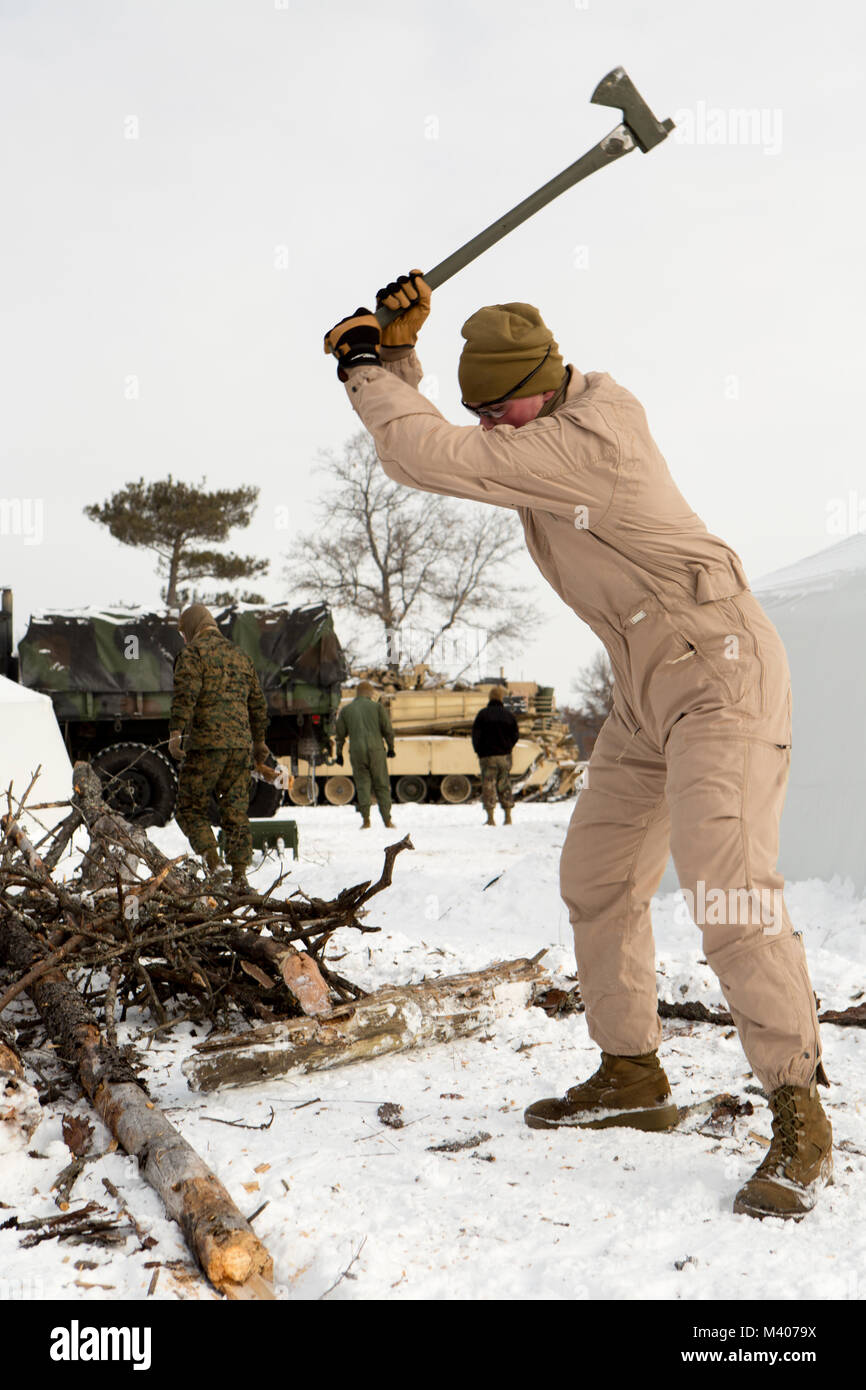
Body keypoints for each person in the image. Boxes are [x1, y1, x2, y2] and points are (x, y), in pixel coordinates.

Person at [322, 274, 833, 1221]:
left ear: (547, 381)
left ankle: (800, 1110)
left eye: (501, 406)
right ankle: (632, 1072)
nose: (494, 426)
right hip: (646, 682)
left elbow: (428, 455)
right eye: (482, 410)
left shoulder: (592, 437)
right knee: (597, 875)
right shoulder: (539, 430)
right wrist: (398, 357)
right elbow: (452, 442)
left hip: (718, 668)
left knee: (726, 888)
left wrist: (362, 368)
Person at [168, 604, 270, 887]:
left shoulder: (193, 653)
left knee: (190, 808)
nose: (183, 638)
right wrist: (259, 742)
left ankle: (215, 864)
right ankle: (240, 877)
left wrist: (176, 732)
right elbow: (258, 704)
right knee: (236, 812)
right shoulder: (241, 656)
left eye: (183, 632)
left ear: (191, 627)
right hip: (240, 748)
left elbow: (185, 694)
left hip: (205, 746)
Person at [335, 681, 395, 829]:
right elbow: (387, 729)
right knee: (381, 784)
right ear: (370, 693)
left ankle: (366, 820)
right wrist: (391, 747)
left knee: (363, 785)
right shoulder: (377, 707)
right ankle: (387, 820)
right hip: (376, 751)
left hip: (356, 751)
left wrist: (339, 754)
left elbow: (340, 735)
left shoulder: (346, 710)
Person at [471, 686, 519, 825]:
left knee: (488, 785)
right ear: (501, 698)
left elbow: (476, 736)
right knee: (505, 784)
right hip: (504, 756)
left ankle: (491, 818)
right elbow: (515, 735)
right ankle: (508, 816)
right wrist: (508, 747)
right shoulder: (509, 716)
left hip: (488, 757)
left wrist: (479, 751)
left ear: (490, 698)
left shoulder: (482, 715)